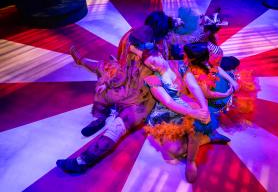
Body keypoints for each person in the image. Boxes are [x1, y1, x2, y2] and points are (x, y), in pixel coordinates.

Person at [56, 11, 176, 173]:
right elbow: (124, 61)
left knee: (116, 127)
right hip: (130, 86)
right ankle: (101, 117)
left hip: (140, 99)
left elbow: (151, 72)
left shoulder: (152, 53)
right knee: (105, 71)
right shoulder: (140, 39)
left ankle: (81, 161)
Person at [140, 46, 231, 183]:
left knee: (196, 124)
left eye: (153, 61)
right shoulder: (153, 79)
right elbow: (169, 101)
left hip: (186, 104)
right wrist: (193, 112)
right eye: (149, 66)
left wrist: (204, 106)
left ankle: (191, 161)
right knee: (175, 150)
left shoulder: (180, 65)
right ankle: (207, 138)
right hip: (167, 113)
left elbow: (194, 87)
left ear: (160, 54)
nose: (153, 67)